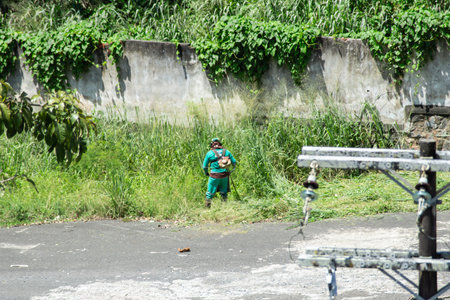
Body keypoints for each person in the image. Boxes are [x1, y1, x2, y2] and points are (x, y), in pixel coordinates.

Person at [202, 138, 237, 208]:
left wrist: (206, 173)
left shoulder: (210, 153)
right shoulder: (226, 151)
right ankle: (224, 207)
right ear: (220, 144)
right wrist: (231, 170)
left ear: (212, 145)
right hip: (225, 175)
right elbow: (234, 162)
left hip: (214, 175)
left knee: (210, 193)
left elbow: (204, 167)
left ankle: (207, 208)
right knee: (224, 192)